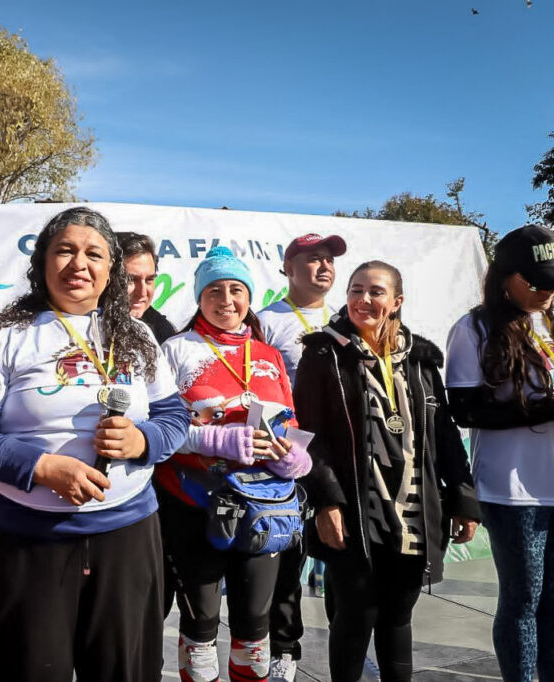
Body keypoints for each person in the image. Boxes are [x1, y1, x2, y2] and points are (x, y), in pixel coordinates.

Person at [0, 206, 189, 682]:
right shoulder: (7, 336)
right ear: (42, 264)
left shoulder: (136, 334)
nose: (79, 264)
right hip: (29, 542)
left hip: (126, 537)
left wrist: (143, 439)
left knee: (126, 671)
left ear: (110, 271)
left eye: (94, 254)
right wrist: (41, 468)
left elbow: (174, 416)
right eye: (65, 250)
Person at [294, 260, 479, 682]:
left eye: (376, 292)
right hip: (356, 511)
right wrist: (327, 501)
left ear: (396, 301)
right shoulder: (323, 354)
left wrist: (464, 500)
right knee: (356, 614)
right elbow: (309, 437)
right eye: (356, 290)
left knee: (398, 617)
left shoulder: (422, 358)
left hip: (414, 511)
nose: (364, 300)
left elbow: (446, 436)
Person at [158, 246, 311, 682]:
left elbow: (290, 420)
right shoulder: (177, 349)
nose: (226, 300)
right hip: (195, 503)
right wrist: (216, 439)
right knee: (201, 634)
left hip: (263, 505)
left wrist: (296, 457)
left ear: (249, 296)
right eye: (215, 290)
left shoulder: (269, 354)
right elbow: (157, 431)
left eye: (236, 289)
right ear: (199, 297)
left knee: (254, 633)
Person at [445, 224, 554, 682]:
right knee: (524, 599)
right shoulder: (473, 328)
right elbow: (466, 410)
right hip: (514, 487)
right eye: (535, 281)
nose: (545, 291)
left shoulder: (548, 321)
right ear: (503, 276)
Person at [255, 232, 346, 682]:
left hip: (340, 462)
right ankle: (283, 655)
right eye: (312, 259)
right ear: (288, 269)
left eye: (328, 259)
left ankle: (345, 650)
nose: (324, 267)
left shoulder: (349, 317)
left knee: (342, 560)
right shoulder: (267, 321)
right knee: (287, 563)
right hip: (288, 460)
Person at [116, 231, 177, 343]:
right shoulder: (83, 328)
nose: (143, 293)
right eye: (130, 280)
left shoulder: (164, 333)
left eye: (149, 280)